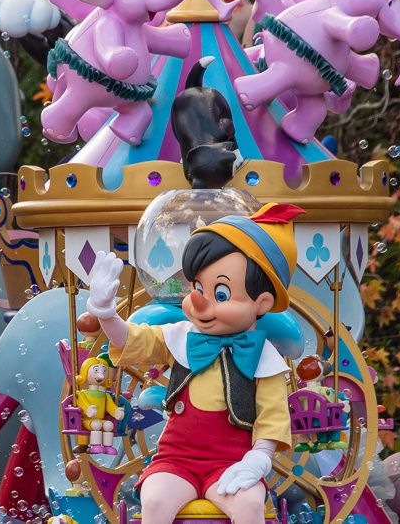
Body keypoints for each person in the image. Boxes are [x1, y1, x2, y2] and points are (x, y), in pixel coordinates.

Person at [87, 203, 304, 523]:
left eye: (221, 292)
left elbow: (272, 417)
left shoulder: (265, 359)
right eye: (198, 287)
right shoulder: (180, 337)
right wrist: (106, 314)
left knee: (249, 506)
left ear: (262, 303)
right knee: (157, 500)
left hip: (233, 463)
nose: (199, 300)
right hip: (175, 460)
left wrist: (259, 458)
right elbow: (133, 341)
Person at [73, 357, 125, 455]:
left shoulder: (104, 395)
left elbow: (110, 405)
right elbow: (83, 403)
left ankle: (108, 447)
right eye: (96, 370)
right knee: (96, 424)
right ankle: (95, 446)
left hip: (99, 420)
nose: (101, 375)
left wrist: (117, 411)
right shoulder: (81, 394)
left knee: (109, 425)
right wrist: (88, 409)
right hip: (86, 421)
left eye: (104, 371)